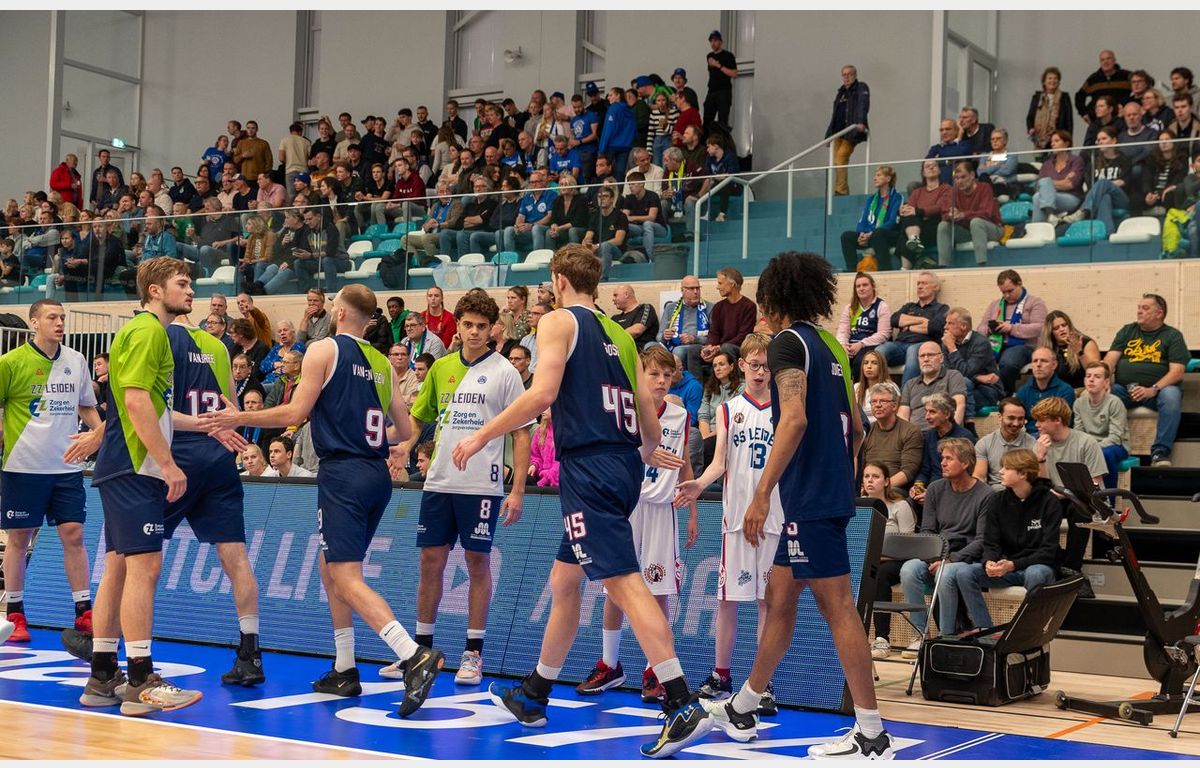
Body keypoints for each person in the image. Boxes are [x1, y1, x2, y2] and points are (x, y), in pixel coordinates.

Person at [451, 245, 710, 758]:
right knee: (564, 580)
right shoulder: (622, 335)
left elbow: (543, 394)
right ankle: (535, 692)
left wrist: (482, 435)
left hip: (590, 466)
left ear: (559, 280)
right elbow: (649, 419)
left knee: (623, 580)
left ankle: (681, 702)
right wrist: (637, 457)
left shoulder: (558, 321)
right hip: (622, 465)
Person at [200, 284, 444, 718]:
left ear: (341, 312)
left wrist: (239, 416)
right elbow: (405, 430)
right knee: (330, 566)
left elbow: (295, 413)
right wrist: (371, 438)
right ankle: (345, 667)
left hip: (343, 474)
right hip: (375, 476)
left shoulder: (324, 349)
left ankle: (412, 654)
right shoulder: (381, 363)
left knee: (346, 577)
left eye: (333, 304)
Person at [699, 252, 894, 757]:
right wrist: (837, 475)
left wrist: (763, 493)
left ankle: (872, 734)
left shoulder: (788, 343)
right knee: (779, 597)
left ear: (775, 297)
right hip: (828, 491)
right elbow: (857, 429)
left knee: (838, 608)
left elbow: (795, 419)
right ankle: (744, 704)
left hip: (808, 498)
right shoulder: (831, 345)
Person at [79, 258, 204, 715]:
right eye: (182, 283)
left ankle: (102, 676)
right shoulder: (149, 331)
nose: (190, 291)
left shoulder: (144, 331)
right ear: (154, 290)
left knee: (117, 568)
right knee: (145, 570)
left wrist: (205, 424)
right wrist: (169, 465)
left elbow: (153, 407)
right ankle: (139, 681)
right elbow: (134, 402)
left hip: (123, 465)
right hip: (136, 467)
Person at [390, 291, 530, 687]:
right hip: (439, 482)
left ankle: (473, 653)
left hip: (482, 486)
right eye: (467, 324)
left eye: (481, 327)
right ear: (459, 325)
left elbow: (522, 433)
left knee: (477, 563)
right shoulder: (441, 368)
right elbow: (420, 418)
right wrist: (405, 446)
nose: (473, 332)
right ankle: (420, 651)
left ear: (492, 329)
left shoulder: (505, 372)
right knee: (429, 561)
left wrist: (517, 490)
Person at [577, 346, 700, 703]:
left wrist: (692, 510)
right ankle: (609, 664)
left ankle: (656, 671)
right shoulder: (624, 409)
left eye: (667, 375)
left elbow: (684, 462)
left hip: (662, 509)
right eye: (654, 374)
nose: (661, 381)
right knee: (614, 588)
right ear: (639, 376)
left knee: (659, 591)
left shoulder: (680, 415)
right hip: (626, 506)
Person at [676, 333, 782, 701]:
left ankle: (762, 684)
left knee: (768, 602)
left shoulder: (785, 411)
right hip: (736, 519)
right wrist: (698, 484)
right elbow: (720, 462)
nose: (760, 372)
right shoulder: (728, 409)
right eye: (754, 365)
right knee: (728, 599)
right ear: (741, 366)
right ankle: (721, 675)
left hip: (773, 518)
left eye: (766, 366)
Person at [0, 300, 102, 646]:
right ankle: (15, 614)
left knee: (73, 534)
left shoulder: (76, 360)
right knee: (19, 538)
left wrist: (100, 434)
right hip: (23, 466)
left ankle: (84, 611)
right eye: (52, 318)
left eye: (62, 318)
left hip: (67, 466)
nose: (59, 323)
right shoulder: (11, 362)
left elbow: (86, 405)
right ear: (34, 323)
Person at [898, 438, 989, 655]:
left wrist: (950, 560)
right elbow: (927, 531)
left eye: (949, 458)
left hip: (965, 557)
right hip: (938, 553)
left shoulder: (986, 494)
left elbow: (982, 540)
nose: (943, 463)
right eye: (942, 458)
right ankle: (920, 634)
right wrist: (934, 558)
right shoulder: (936, 488)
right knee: (909, 569)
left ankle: (946, 636)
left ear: (965, 463)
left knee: (945, 573)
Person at [956, 449, 1061, 629]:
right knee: (964, 573)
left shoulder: (1049, 502)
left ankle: (1030, 632)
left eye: (1006, 468)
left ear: (1023, 474)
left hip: (1037, 566)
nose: (1000, 471)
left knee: (1035, 574)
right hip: (1007, 567)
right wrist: (989, 562)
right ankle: (986, 631)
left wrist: (1013, 564)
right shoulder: (997, 500)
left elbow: (1048, 551)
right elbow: (991, 542)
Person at [1030, 396, 1107, 596]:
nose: (1036, 425)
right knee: (1032, 509)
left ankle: (1071, 567)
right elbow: (1038, 484)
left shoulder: (1086, 442)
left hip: (1082, 499)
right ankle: (1065, 568)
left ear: (1057, 420)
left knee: (1080, 509)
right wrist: (1040, 457)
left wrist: (1065, 492)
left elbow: (1095, 483)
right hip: (1052, 499)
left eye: (1041, 420)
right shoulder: (1039, 445)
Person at [1102, 293, 1189, 466]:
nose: (1139, 311)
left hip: (1158, 392)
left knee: (1171, 395)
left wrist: (1153, 389)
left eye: (1145, 308)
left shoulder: (1172, 335)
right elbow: (1110, 360)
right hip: (1126, 390)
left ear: (1159, 313)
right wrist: (1101, 377)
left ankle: (1160, 453)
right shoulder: (1128, 331)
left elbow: (1177, 372)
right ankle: (1105, 446)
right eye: (1139, 308)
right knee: (1105, 392)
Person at [861, 461, 918, 660]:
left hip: (896, 561)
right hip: (868, 561)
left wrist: (879, 555)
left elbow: (910, 544)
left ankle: (882, 639)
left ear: (886, 482)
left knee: (879, 574)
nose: (870, 480)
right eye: (866, 476)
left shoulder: (899, 506)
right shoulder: (860, 506)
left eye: (875, 476)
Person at [977, 269, 1047, 395]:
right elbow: (980, 328)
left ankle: (1002, 393)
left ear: (1019, 284)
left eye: (1010, 291)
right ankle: (984, 393)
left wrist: (1012, 328)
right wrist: (989, 329)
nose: (1007, 296)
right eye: (1003, 292)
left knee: (1009, 362)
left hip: (1024, 346)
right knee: (976, 359)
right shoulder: (995, 305)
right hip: (995, 345)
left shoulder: (1035, 303)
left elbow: (1040, 328)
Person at [878, 271, 948, 386]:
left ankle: (906, 394)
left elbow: (935, 327)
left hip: (923, 345)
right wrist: (923, 321)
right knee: (879, 351)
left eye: (924, 283)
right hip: (899, 345)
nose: (920, 286)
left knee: (913, 351)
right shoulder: (909, 306)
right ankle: (877, 392)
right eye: (918, 283)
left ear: (936, 287)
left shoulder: (941, 308)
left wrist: (908, 325)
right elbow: (894, 320)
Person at [1065, 125, 1132, 236]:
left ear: (1114, 140)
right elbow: (1091, 186)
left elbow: (1123, 182)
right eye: (1099, 140)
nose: (1100, 142)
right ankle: (1107, 232)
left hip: (1121, 198)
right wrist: (1108, 186)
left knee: (1103, 183)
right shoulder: (1094, 162)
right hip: (1101, 198)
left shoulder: (1124, 159)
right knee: (1105, 197)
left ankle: (1084, 211)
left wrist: (1105, 185)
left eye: (1104, 139)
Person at [1074, 361, 1131, 491]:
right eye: (1088, 376)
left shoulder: (1115, 403)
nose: (1091, 380)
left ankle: (1108, 497)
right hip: (1090, 446)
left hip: (1117, 446)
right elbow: (1078, 433)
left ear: (1106, 382)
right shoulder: (1079, 403)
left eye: (1097, 376)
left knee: (1106, 454)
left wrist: (1092, 448)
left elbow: (1115, 437)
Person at [937, 160, 1002, 267]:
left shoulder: (984, 187)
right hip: (968, 231)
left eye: (963, 177)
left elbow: (986, 213)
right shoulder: (953, 191)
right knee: (943, 226)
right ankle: (943, 267)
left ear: (972, 175)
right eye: (956, 178)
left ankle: (982, 266)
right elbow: (944, 213)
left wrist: (963, 215)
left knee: (976, 222)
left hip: (992, 228)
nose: (959, 181)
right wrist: (951, 214)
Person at [910, 394, 976, 498]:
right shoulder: (929, 435)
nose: (927, 417)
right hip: (930, 487)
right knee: (907, 502)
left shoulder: (964, 437)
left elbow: (964, 474)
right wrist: (918, 485)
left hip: (953, 489)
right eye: (926, 412)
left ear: (947, 414)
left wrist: (931, 493)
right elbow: (925, 468)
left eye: (932, 412)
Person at [943, 307, 1003, 419]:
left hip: (985, 390)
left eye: (950, 323)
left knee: (953, 402)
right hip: (959, 387)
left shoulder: (981, 343)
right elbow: (948, 373)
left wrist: (952, 348)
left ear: (964, 326)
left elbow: (966, 372)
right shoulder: (947, 342)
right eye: (946, 323)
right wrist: (978, 377)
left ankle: (965, 425)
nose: (945, 327)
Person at [840, 166, 902, 271]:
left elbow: (893, 222)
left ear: (888, 179)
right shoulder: (872, 199)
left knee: (878, 233)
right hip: (870, 235)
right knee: (846, 236)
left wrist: (871, 234)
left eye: (878, 175)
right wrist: (861, 234)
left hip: (888, 235)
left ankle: (884, 269)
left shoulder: (897, 197)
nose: (874, 178)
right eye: (875, 175)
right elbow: (863, 220)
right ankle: (852, 270)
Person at [973, 397, 1037, 491]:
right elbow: (980, 478)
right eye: (1011, 418)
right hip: (993, 493)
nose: (1016, 423)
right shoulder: (984, 443)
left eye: (1020, 419)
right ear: (1000, 417)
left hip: (1022, 493)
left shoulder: (1032, 443)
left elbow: (1034, 479)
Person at [898, 342, 967, 428]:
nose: (926, 359)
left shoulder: (953, 376)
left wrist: (951, 432)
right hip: (915, 434)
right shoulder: (910, 384)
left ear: (941, 358)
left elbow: (959, 405)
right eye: (922, 356)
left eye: (930, 355)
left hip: (943, 432)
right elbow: (902, 416)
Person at [835, 271, 891, 377]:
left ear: (873, 287)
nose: (861, 288)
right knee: (837, 360)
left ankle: (857, 387)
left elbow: (884, 334)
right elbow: (842, 331)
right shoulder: (850, 308)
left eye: (865, 285)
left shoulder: (882, 306)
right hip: (851, 345)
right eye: (858, 286)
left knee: (860, 362)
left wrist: (861, 344)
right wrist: (843, 346)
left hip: (870, 345)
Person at [897, 159, 951, 268]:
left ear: (939, 170)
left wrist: (918, 211)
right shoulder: (917, 192)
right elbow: (910, 210)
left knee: (905, 235)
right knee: (908, 218)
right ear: (923, 173)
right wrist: (902, 211)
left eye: (934, 165)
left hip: (935, 226)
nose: (931, 167)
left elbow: (940, 207)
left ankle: (905, 268)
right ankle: (914, 239)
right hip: (917, 226)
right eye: (927, 166)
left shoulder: (946, 188)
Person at [827, 65, 870, 197]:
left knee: (841, 158)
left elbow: (863, 104)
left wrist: (861, 121)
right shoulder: (841, 91)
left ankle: (841, 191)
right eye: (844, 75)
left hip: (850, 132)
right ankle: (840, 189)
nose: (846, 77)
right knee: (836, 162)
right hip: (837, 132)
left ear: (855, 75)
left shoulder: (861, 87)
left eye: (849, 74)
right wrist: (830, 134)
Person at [657, 275, 711, 380]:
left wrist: (694, 339)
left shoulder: (709, 308)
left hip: (695, 345)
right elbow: (659, 336)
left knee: (679, 351)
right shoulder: (671, 308)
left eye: (698, 288)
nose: (696, 292)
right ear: (682, 290)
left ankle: (680, 383)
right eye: (691, 288)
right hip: (671, 344)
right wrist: (664, 336)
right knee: (650, 346)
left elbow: (713, 337)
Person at [700, 267, 757, 365]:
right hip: (720, 347)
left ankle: (734, 375)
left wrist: (719, 347)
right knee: (692, 351)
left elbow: (743, 336)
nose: (718, 287)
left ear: (732, 284)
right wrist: (710, 347)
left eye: (720, 283)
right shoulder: (718, 306)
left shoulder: (749, 306)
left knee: (726, 348)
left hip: (738, 347)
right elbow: (714, 332)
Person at [1017, 347, 1076, 436]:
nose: (1038, 365)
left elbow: (1062, 424)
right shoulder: (1023, 390)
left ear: (1054, 365)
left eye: (1044, 361)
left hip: (1053, 437)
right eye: (1035, 361)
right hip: (1027, 436)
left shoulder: (1065, 391)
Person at [1039, 309, 1102, 390]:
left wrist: (1079, 352)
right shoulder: (1047, 349)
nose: (1062, 329)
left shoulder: (1085, 343)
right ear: (1051, 332)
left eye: (1064, 325)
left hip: (1083, 390)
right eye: (1056, 328)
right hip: (1057, 391)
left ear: (1069, 326)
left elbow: (1095, 371)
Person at [1027, 66, 1074, 150]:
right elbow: (1030, 117)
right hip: (1039, 140)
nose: (1052, 81)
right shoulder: (1037, 97)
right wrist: (1031, 129)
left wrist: (1068, 141)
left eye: (1055, 78)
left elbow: (1069, 121)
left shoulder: (1064, 97)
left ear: (1059, 82)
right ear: (1044, 82)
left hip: (1058, 140)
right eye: (1050, 78)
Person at [702, 30, 737, 132]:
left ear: (721, 42)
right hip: (711, 91)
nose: (713, 43)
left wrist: (719, 66)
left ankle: (723, 140)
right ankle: (707, 140)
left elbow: (734, 74)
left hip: (724, 91)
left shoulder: (728, 56)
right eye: (711, 41)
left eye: (715, 40)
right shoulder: (709, 56)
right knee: (707, 120)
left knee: (723, 121)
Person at [610, 283, 660, 350]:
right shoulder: (615, 318)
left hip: (643, 352)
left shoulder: (645, 308)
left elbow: (636, 331)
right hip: (621, 352)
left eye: (615, 295)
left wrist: (615, 338)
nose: (613, 299)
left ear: (626, 294)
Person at [854, 351, 891, 424]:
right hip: (860, 426)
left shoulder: (889, 387)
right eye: (865, 363)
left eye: (874, 363)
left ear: (882, 366)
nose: (869, 366)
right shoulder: (856, 387)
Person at [528, 409, 558, 487]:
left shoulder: (565, 431)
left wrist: (543, 481)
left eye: (547, 407)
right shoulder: (539, 431)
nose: (543, 409)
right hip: (542, 480)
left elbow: (561, 463)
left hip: (559, 483)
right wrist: (534, 465)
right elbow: (536, 456)